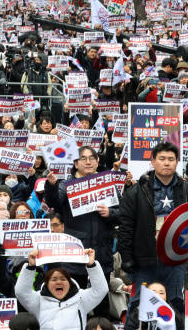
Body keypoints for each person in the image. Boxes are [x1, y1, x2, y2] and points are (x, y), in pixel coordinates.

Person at [43, 146, 118, 320]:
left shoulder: (107, 184)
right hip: (76, 255)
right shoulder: (67, 185)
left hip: (101, 252)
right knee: (74, 302)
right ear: (76, 164)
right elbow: (54, 200)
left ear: (98, 161)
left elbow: (122, 213)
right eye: (83, 159)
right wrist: (51, 185)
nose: (88, 161)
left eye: (92, 158)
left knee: (101, 303)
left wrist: (110, 213)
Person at [118, 141, 187, 325]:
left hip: (175, 261)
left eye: (171, 159)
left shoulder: (185, 189)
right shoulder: (135, 191)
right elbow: (125, 227)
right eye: (162, 159)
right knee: (139, 306)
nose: (167, 163)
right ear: (153, 161)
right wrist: (127, 258)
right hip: (144, 260)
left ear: (176, 162)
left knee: (175, 305)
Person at [15, 248, 108, 330]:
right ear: (47, 284)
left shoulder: (81, 298)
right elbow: (21, 292)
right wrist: (30, 266)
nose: (59, 282)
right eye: (54, 280)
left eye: (63, 279)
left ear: (69, 283)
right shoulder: (38, 299)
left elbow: (101, 290)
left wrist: (92, 265)